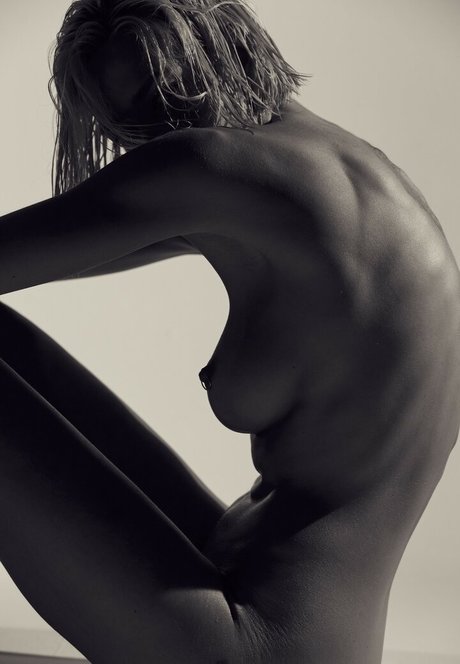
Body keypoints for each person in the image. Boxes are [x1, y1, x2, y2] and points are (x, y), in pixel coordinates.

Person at [0, 0, 459, 662]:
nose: (156, 136)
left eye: (167, 96)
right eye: (132, 123)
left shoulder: (209, 162)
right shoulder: (349, 170)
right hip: (285, 617)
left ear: (226, 48)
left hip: (256, 642)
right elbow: (86, 241)